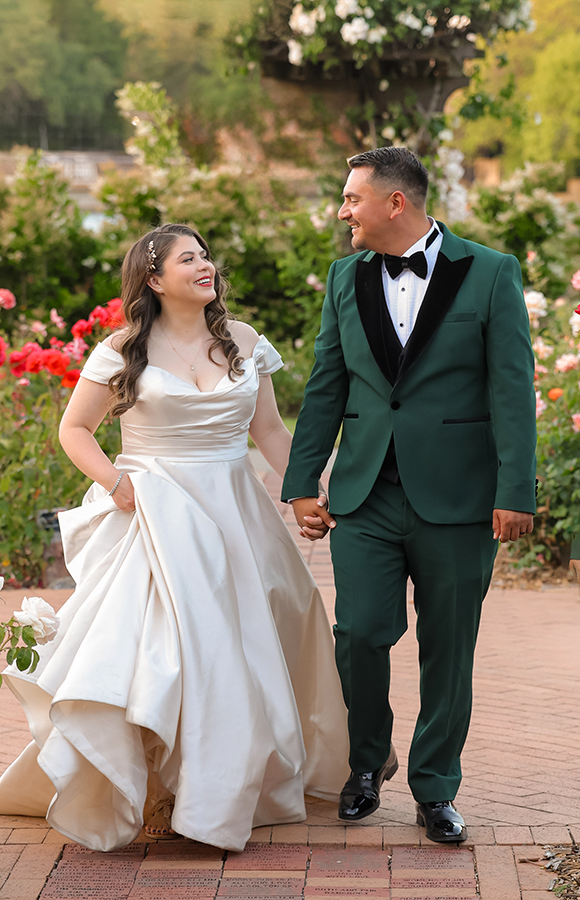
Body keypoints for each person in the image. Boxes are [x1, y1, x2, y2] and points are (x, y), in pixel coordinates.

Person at [0, 223, 349, 852]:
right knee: (164, 648)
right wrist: (115, 483)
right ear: (153, 278)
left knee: (253, 637)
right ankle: (156, 784)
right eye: (188, 259)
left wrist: (308, 490)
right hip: (154, 510)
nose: (205, 266)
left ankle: (222, 786)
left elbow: (269, 431)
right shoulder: (123, 349)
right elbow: (74, 430)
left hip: (236, 512)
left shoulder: (243, 342)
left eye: (206, 256)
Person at [281, 147, 537, 843]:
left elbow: (512, 387)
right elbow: (326, 384)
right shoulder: (345, 277)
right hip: (365, 494)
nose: (342, 211)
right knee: (359, 633)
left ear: (396, 203)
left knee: (448, 647)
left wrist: (516, 488)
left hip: (460, 497)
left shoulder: (490, 272)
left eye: (352, 198)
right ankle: (367, 763)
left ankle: (436, 788)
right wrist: (303, 483)